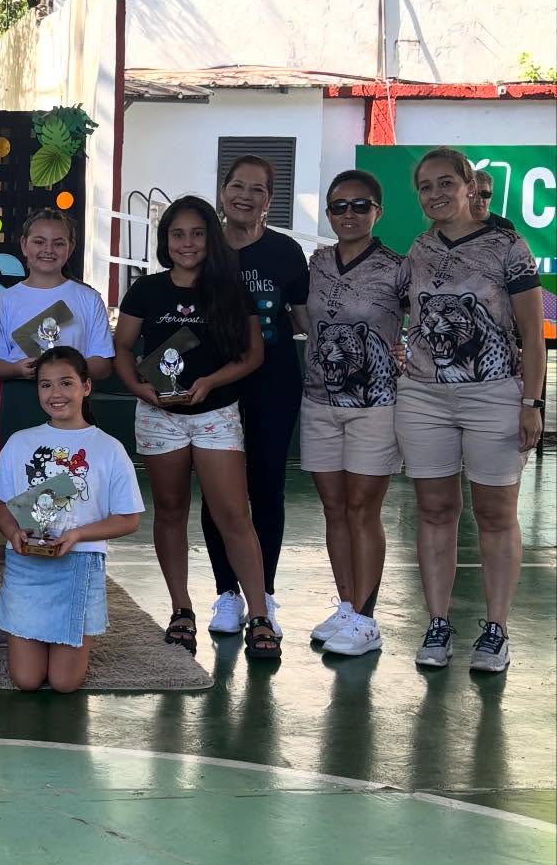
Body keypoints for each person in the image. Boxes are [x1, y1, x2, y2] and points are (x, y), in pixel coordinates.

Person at [398, 146, 544, 674]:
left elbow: (532, 333)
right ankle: (437, 623)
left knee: (496, 513)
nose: (436, 194)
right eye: (426, 186)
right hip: (424, 397)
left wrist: (532, 402)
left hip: (494, 394)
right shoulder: (417, 249)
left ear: (468, 187)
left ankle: (496, 629)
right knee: (435, 510)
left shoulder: (508, 246)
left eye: (446, 183)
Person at [114, 196, 279, 662]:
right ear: (165, 240)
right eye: (177, 234)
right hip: (159, 418)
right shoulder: (146, 290)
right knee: (170, 512)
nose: (187, 243)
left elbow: (253, 356)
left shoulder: (230, 290)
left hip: (216, 417)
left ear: (211, 238)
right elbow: (122, 348)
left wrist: (211, 382)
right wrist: (139, 389)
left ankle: (260, 614)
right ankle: (180, 610)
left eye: (197, 233)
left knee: (234, 515)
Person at [199, 153, 309, 637]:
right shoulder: (202, 247)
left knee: (266, 488)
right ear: (223, 191)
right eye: (237, 186)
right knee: (219, 491)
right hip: (213, 383)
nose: (245, 196)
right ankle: (227, 593)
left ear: (269, 200)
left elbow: (305, 321)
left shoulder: (286, 252)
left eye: (257, 189)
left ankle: (263, 595)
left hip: (274, 382)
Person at [300, 170, 408, 658]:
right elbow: (300, 314)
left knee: (363, 508)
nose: (349, 214)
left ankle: (366, 617)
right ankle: (345, 606)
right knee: (334, 506)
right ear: (328, 213)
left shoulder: (397, 267)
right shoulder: (318, 262)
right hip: (319, 401)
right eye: (339, 206)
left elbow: (427, 317)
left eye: (360, 205)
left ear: (377, 212)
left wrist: (408, 352)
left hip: (374, 405)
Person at [0, 347, 143, 691]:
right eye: (45, 385)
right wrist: (13, 533)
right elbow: (0, 504)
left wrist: (76, 535)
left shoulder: (109, 448)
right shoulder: (19, 442)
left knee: (64, 683)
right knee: (26, 680)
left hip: (80, 564)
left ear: (86, 386)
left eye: (66, 383)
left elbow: (128, 519)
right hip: (26, 565)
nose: (55, 393)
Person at [0, 207, 113, 439]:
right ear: (24, 245)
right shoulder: (5, 300)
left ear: (70, 248)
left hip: (73, 403)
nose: (48, 250)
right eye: (39, 242)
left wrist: (64, 371)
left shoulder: (88, 299)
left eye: (58, 243)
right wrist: (17, 369)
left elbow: (103, 364)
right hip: (21, 400)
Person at [470, 169, 517, 233]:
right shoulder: (456, 224)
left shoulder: (505, 226)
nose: (479, 199)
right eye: (474, 193)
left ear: (491, 196)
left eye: (485, 194)